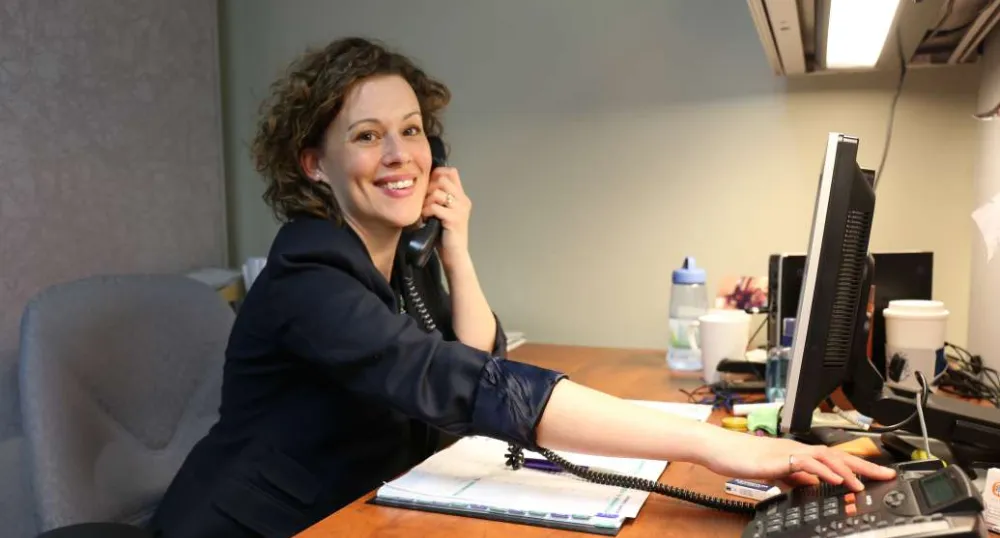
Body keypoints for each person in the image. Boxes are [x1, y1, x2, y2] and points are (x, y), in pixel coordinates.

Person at [150, 37, 896, 538]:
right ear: (314, 163)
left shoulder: (396, 257)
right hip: (262, 523)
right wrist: (708, 446)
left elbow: (480, 352)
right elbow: (461, 381)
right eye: (366, 135)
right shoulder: (309, 271)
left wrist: (457, 252)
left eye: (411, 131)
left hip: (358, 507)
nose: (399, 153)